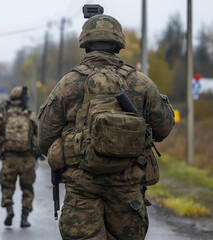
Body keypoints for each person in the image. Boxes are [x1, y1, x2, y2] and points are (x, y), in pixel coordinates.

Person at [38, 14, 175, 239]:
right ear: (118, 43)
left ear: (86, 43)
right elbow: (164, 128)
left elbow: (43, 138)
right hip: (127, 189)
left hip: (81, 191)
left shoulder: (68, 83)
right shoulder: (139, 82)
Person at [0, 86, 40, 228]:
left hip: (9, 158)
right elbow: (41, 134)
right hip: (27, 158)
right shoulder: (30, 115)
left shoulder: (4, 116)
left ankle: (9, 209)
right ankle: (24, 218)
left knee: (7, 186)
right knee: (27, 189)